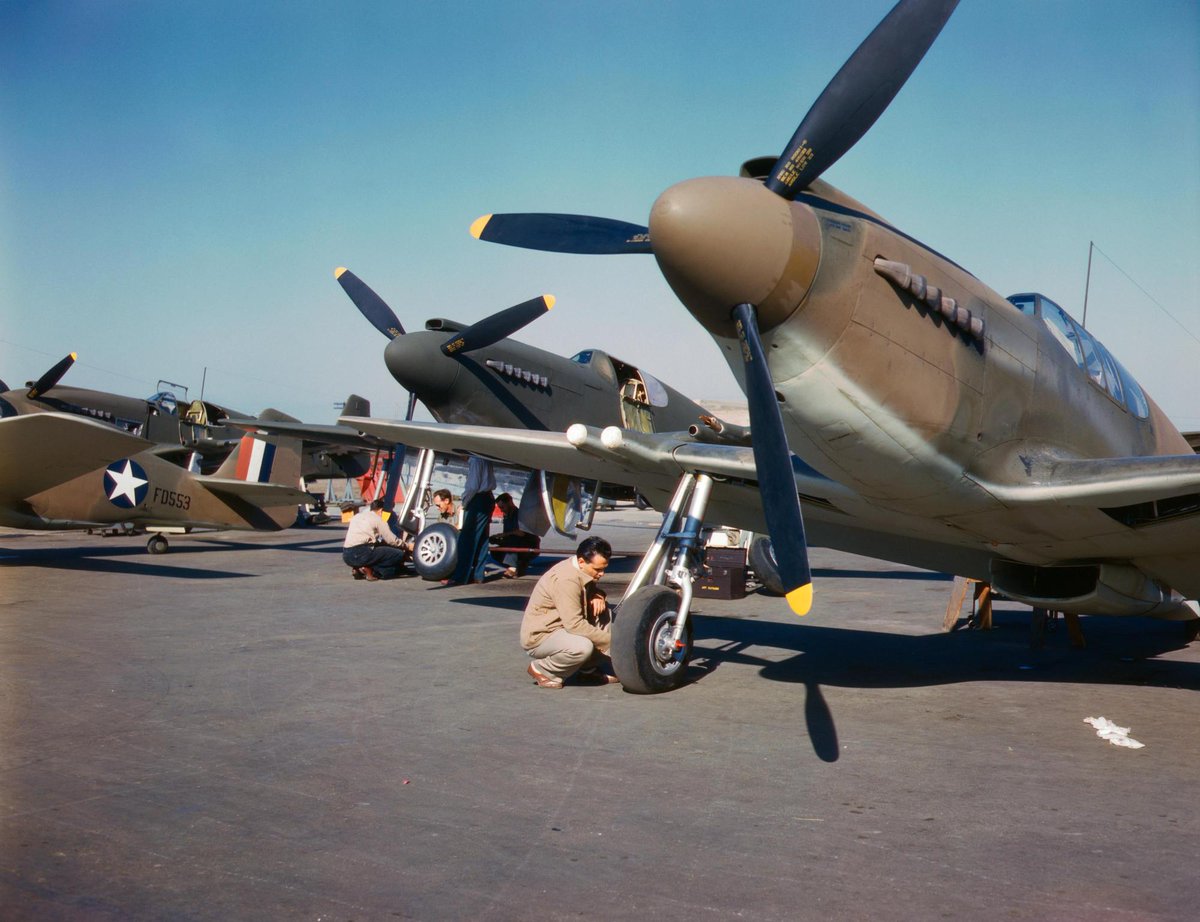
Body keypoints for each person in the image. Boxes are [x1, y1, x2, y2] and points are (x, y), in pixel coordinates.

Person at [520, 536, 618, 688]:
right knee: (582, 647)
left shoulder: (582, 569)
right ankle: (543, 670)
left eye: (604, 569)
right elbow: (575, 625)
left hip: (563, 627)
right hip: (542, 635)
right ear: (581, 561)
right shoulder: (566, 580)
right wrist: (614, 643)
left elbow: (587, 590)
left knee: (604, 613)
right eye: (598, 569)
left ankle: (587, 670)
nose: (601, 574)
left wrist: (599, 595)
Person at [447, 457, 496, 586]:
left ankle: (460, 576)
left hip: (478, 499)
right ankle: (478, 575)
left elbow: (473, 486)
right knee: (482, 539)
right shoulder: (485, 458)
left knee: (467, 539)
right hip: (488, 497)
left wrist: (464, 501)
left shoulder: (475, 460)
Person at [342, 499, 410, 580]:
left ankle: (360, 568)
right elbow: (392, 540)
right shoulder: (378, 519)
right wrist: (407, 546)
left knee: (381, 553)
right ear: (381, 510)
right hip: (362, 553)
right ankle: (370, 569)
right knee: (398, 555)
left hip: (347, 555)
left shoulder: (357, 516)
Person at [488, 492, 540, 577]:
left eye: (502, 507)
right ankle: (519, 566)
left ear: (509, 502)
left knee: (513, 541)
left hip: (528, 544)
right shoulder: (507, 516)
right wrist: (497, 539)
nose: (501, 510)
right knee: (495, 551)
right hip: (515, 542)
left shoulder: (520, 515)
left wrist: (504, 535)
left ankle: (513, 567)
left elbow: (521, 533)